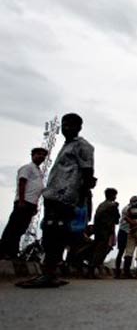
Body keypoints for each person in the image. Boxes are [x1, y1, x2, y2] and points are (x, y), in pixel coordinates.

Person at [17, 113, 95, 288]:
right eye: (63, 125)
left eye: (70, 125)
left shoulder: (83, 146)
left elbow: (87, 173)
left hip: (64, 195)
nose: (65, 128)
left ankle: (48, 274)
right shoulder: (67, 145)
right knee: (52, 233)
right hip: (53, 194)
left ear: (79, 127)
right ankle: (50, 273)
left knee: (55, 233)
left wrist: (81, 197)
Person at [0, 147, 48, 260]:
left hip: (31, 204)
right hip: (23, 202)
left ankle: (12, 252)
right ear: (33, 155)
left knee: (21, 229)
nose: (41, 157)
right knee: (13, 228)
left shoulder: (39, 172)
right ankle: (3, 251)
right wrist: (21, 200)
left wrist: (35, 205)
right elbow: (22, 183)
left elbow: (36, 190)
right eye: (39, 154)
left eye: (43, 155)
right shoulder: (27, 168)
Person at [88, 187, 119, 278]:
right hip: (105, 230)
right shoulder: (112, 206)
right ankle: (92, 270)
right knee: (101, 250)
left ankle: (91, 270)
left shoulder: (101, 205)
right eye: (114, 195)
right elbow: (117, 219)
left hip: (98, 230)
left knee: (97, 249)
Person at [114, 195, 137, 278]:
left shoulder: (130, 208)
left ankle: (123, 271)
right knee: (122, 252)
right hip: (124, 231)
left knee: (127, 252)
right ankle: (119, 271)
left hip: (126, 231)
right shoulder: (127, 208)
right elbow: (127, 219)